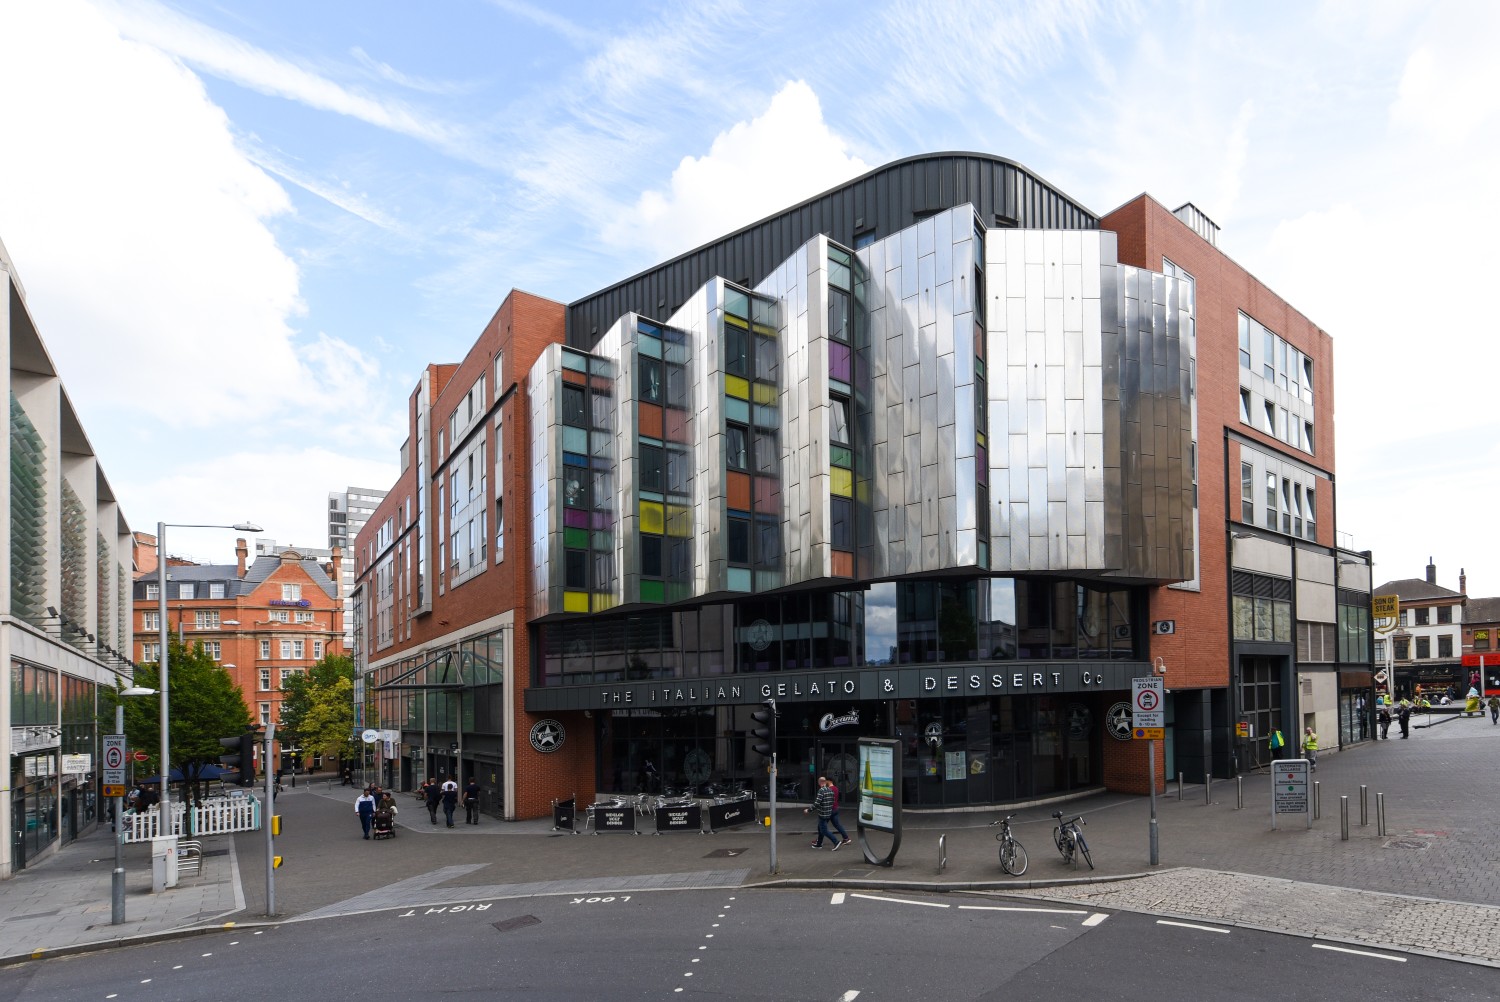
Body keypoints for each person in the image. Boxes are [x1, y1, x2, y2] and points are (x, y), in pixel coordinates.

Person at [804, 776, 850, 850]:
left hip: (823, 814)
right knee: (822, 828)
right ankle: (819, 844)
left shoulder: (821, 790)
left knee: (823, 830)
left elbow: (817, 803)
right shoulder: (830, 790)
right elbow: (832, 801)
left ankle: (836, 842)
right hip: (829, 812)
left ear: (820, 783)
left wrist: (808, 810)